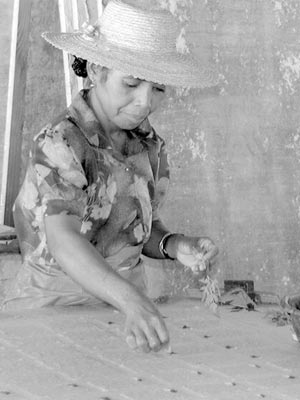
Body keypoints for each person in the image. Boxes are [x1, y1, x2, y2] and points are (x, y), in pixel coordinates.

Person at [1, 0, 219, 353]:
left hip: (124, 314)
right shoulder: (61, 142)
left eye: (159, 88)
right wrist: (131, 300)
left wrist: (174, 244)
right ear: (98, 70)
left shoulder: (149, 146)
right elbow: (63, 241)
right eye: (132, 83)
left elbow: (130, 228)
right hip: (51, 312)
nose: (145, 101)